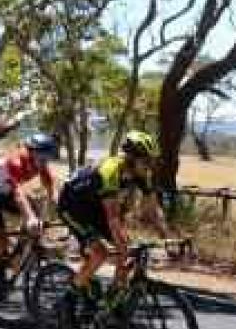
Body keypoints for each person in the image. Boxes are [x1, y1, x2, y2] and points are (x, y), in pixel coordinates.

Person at [57, 130, 172, 312]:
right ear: (131, 159)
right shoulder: (110, 171)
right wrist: (122, 246)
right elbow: (112, 217)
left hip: (96, 207)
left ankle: (113, 300)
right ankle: (69, 297)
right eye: (146, 160)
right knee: (101, 253)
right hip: (72, 206)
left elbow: (153, 208)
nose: (149, 165)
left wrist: (167, 237)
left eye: (151, 161)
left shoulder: (141, 174)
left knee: (125, 249)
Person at [0, 133, 59, 301]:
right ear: (32, 151)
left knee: (34, 210)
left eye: (48, 157)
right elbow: (19, 193)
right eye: (43, 156)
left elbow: (50, 188)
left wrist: (54, 211)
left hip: (5, 194)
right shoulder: (16, 161)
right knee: (0, 242)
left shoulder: (39, 162)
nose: (45, 160)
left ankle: (16, 253)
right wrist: (31, 218)